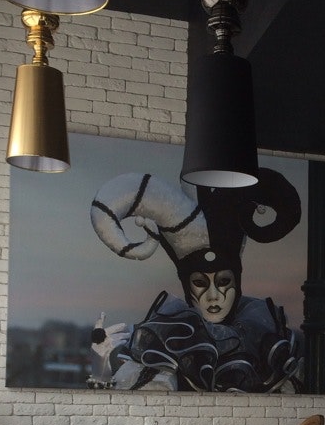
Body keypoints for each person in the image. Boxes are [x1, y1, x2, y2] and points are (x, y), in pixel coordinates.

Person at [88, 168, 304, 393]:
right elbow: (130, 406)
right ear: (186, 284)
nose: (213, 296)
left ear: (236, 281)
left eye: (224, 281)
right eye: (200, 283)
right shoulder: (168, 344)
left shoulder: (266, 345)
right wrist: (100, 365)